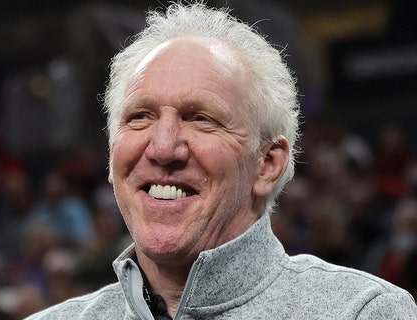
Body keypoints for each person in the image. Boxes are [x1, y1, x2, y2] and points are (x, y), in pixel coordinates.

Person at [25, 2, 417, 319]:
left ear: (267, 164)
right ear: (112, 157)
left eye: (201, 119)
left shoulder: (362, 312)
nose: (163, 148)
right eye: (139, 117)